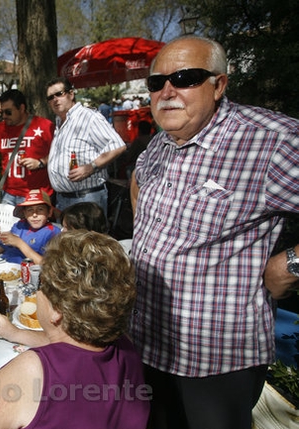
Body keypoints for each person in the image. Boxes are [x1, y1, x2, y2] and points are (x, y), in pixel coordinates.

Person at [129, 35, 299, 429]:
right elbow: (140, 185)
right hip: (149, 342)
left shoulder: (272, 140)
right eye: (156, 83)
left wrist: (290, 263)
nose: (167, 91)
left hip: (216, 360)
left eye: (185, 77)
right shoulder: (161, 143)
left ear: (219, 85)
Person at [0, 230, 149, 429]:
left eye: (41, 284)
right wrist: (15, 333)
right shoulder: (124, 344)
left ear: (57, 310)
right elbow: (73, 348)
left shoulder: (33, 370)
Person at [46, 77, 126, 215]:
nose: (55, 99)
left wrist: (91, 167)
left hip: (86, 199)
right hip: (63, 200)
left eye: (59, 94)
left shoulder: (88, 117)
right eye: (50, 97)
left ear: (71, 94)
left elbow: (117, 146)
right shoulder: (60, 122)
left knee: (89, 237)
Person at [0, 89, 55, 205]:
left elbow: (60, 154)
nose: (4, 116)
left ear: (22, 108)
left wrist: (41, 162)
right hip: (8, 194)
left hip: (37, 194)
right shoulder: (0, 129)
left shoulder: (45, 126)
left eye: (8, 112)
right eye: (2, 112)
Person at [0, 189, 60, 264]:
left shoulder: (53, 233)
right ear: (24, 213)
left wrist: (20, 243)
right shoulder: (19, 226)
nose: (34, 214)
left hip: (27, 273)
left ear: (49, 212)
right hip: (5, 268)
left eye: (40, 209)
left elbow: (48, 265)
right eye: (30, 210)